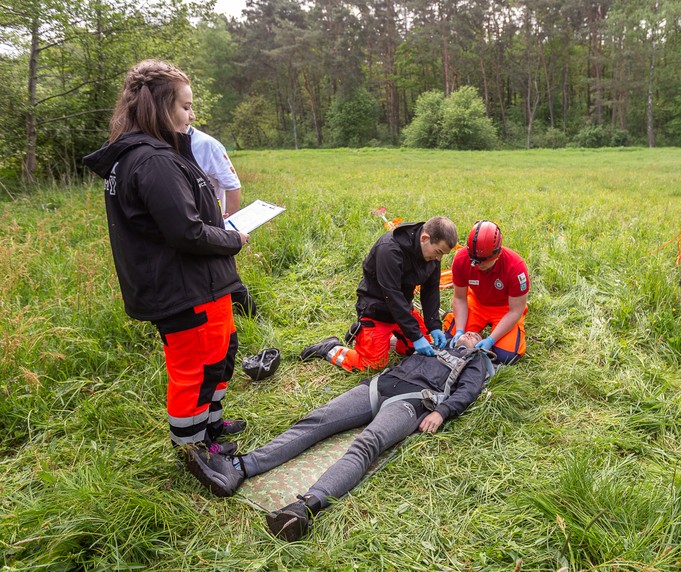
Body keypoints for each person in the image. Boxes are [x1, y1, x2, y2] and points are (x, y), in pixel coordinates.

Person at [83, 59, 249, 453]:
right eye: (185, 106)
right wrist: (233, 239)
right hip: (183, 289)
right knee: (196, 370)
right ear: (159, 106)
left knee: (222, 354)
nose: (191, 116)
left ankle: (210, 426)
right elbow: (186, 232)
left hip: (204, 282)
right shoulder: (153, 161)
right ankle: (194, 450)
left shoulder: (152, 154)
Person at [185, 331, 494, 541]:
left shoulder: (476, 360)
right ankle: (238, 468)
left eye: (476, 335)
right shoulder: (431, 341)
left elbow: (467, 391)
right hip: (381, 385)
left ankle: (303, 509)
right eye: (467, 331)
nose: (470, 335)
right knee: (317, 420)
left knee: (367, 445)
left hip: (413, 402)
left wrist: (441, 412)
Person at [301, 217, 458, 371]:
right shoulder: (390, 249)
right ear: (425, 238)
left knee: (415, 350)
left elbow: (430, 289)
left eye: (443, 254)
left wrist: (434, 325)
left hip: (402, 309)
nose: (438, 258)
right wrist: (416, 336)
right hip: (377, 310)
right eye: (438, 252)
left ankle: (372, 340)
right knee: (372, 365)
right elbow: (392, 295)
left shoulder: (431, 256)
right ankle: (331, 347)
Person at [186, 124, 257, 317]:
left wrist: (230, 229)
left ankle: (252, 318)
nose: (190, 115)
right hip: (187, 225)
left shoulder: (207, 145)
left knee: (226, 276)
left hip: (213, 225)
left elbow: (232, 185)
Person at [443, 220, 529, 364]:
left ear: (497, 253)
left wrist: (491, 339)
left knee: (505, 356)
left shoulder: (515, 267)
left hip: (505, 309)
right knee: (450, 341)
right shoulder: (462, 259)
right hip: (477, 303)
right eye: (473, 259)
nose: (476, 265)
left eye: (482, 261)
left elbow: (516, 310)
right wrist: (460, 330)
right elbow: (460, 298)